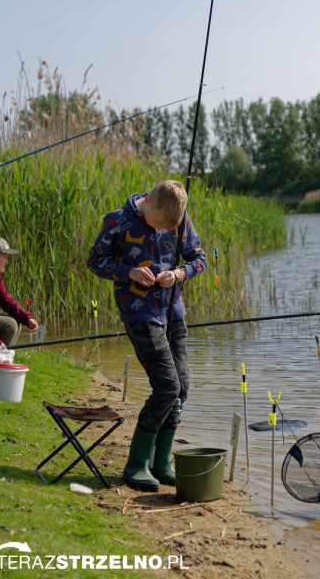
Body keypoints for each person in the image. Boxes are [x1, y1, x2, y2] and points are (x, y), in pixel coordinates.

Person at [87, 180, 206, 491]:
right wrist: (129, 271)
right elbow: (95, 261)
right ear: (149, 201)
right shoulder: (117, 221)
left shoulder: (180, 217)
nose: (161, 228)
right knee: (167, 386)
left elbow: (199, 259)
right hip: (139, 314)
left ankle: (161, 463)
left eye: (169, 226)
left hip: (173, 312)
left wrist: (179, 274)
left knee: (181, 389)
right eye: (157, 222)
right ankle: (136, 464)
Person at [0, 235, 39, 350]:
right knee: (10, 325)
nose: (6, 262)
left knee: (15, 322)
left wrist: (26, 318)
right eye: (4, 257)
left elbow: (5, 300)